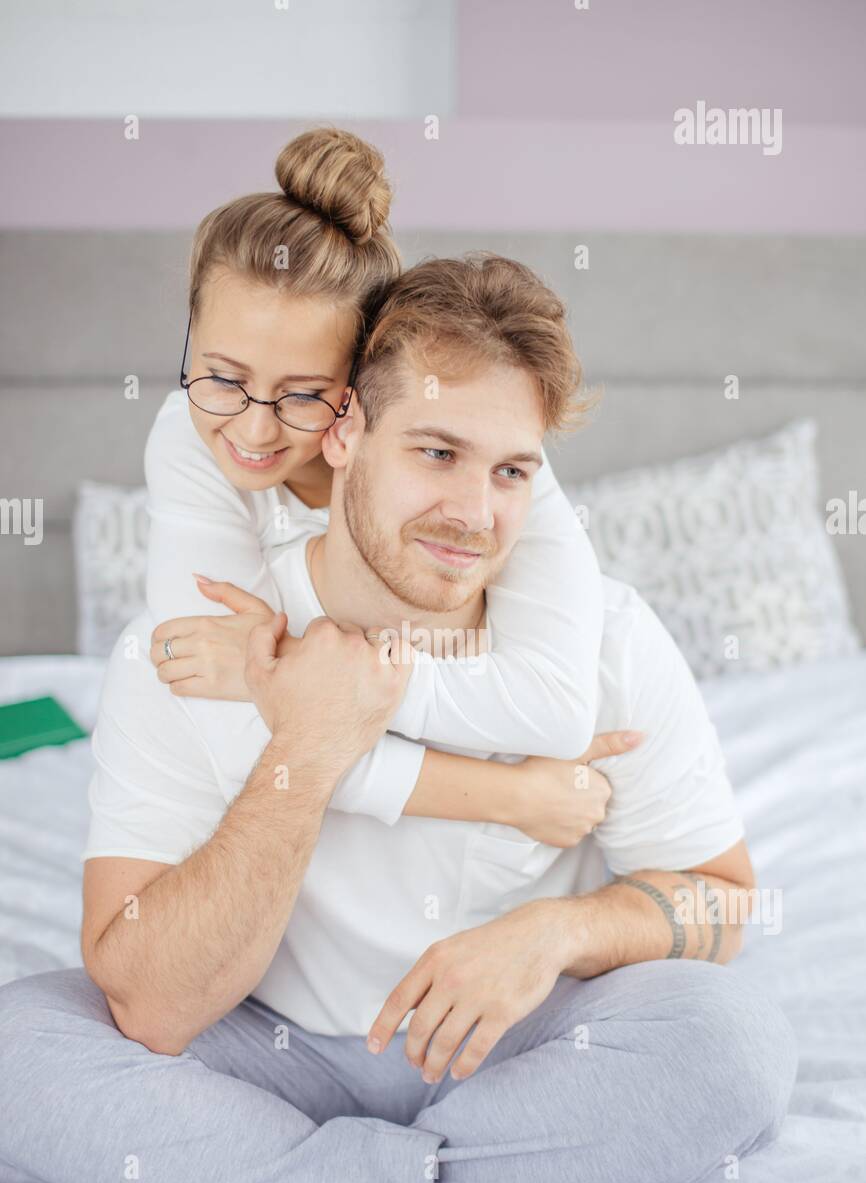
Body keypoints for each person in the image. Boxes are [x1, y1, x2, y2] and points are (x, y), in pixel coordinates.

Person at [0, 250, 798, 1183]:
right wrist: (304, 746)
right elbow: (151, 1008)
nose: (475, 513)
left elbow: (723, 900)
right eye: (435, 451)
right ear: (343, 434)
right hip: (267, 1060)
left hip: (517, 1055)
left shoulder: (604, 640)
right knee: (22, 1053)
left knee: (734, 1046)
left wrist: (553, 931)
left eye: (511, 470)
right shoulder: (199, 648)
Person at [141, 125, 608, 837]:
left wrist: (285, 674)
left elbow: (559, 709)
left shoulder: (483, 465)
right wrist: (511, 798)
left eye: (303, 395)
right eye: (223, 377)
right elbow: (235, 738)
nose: (255, 432)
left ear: (363, 391)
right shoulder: (186, 440)